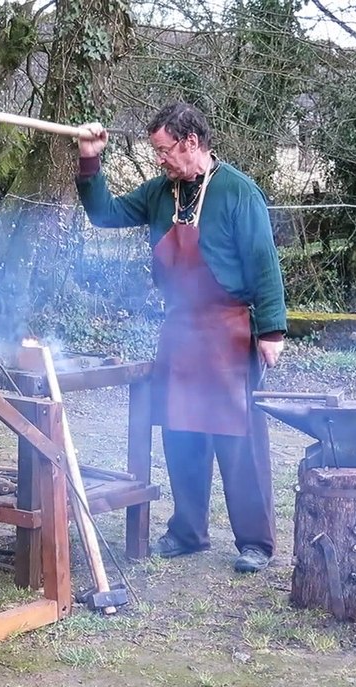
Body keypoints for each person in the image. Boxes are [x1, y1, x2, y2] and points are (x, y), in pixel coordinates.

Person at [73, 101, 287, 573]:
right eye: (157, 152)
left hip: (230, 333)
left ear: (191, 143)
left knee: (239, 442)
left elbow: (263, 263)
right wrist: (91, 160)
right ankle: (188, 532)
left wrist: (271, 329)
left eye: (164, 150)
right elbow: (105, 214)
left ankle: (255, 541)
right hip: (180, 331)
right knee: (181, 433)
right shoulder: (159, 193)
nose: (159, 160)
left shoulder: (237, 192)